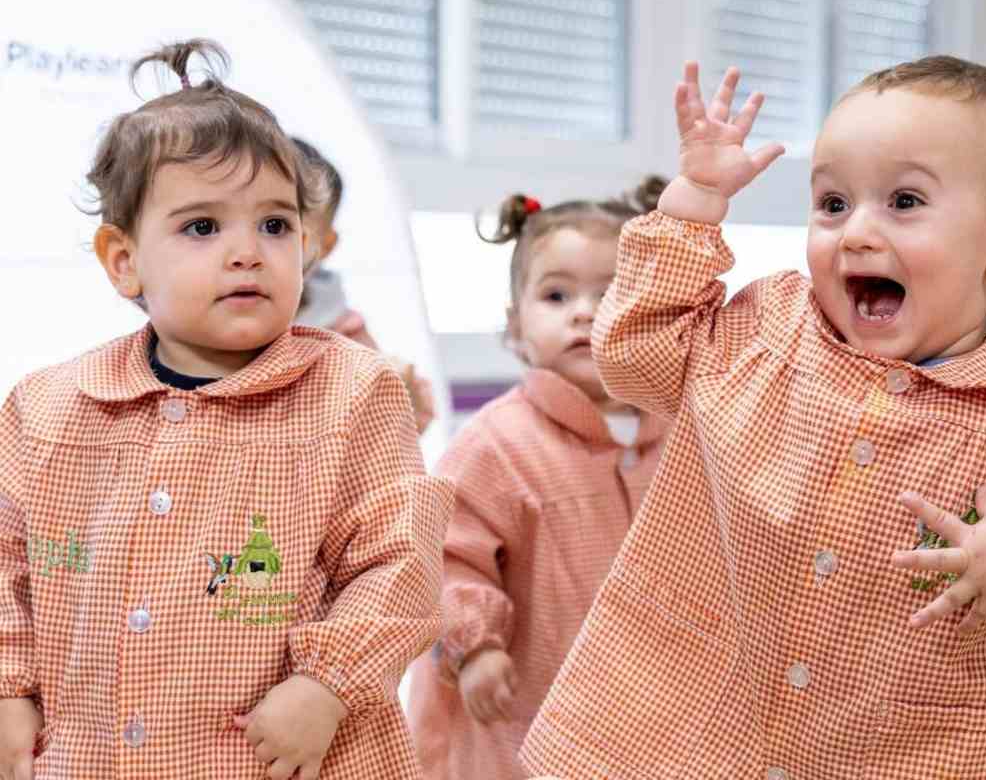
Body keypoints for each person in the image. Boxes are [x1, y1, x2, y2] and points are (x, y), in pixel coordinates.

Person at [521, 57, 986, 779]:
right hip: (691, 741)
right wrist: (694, 199)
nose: (855, 234)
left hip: (926, 756)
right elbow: (633, 354)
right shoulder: (762, 329)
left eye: (904, 202)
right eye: (833, 203)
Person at [0, 40, 452, 780]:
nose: (248, 252)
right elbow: (4, 564)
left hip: (289, 757)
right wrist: (8, 689)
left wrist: (326, 684)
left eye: (275, 225)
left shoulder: (354, 392)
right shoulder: (44, 409)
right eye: (203, 228)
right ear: (122, 261)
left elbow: (399, 561)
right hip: (90, 757)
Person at [407, 180, 671, 780]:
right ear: (516, 325)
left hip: (644, 712)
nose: (584, 311)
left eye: (610, 294)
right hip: (517, 715)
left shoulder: (681, 435)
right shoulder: (495, 445)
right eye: (556, 295)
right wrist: (475, 646)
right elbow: (443, 557)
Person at [291, 136, 436, 435]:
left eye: (283, 230)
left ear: (326, 246)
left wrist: (397, 395)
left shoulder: (348, 334)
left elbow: (405, 424)